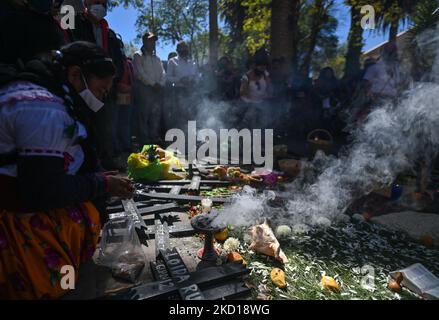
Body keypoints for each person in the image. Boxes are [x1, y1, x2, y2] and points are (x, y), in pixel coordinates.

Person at [0, 40, 134, 299]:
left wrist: (95, 178)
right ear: (75, 75)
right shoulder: (43, 108)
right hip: (13, 213)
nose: (102, 98)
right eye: (101, 90)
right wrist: (101, 184)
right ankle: (46, 283)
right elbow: (41, 191)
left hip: (25, 192)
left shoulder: (50, 96)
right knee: (81, 217)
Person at [71, 0, 126, 170]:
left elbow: (119, 61)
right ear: (86, 2)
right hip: (83, 87)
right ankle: (84, 164)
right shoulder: (75, 24)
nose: (100, 5)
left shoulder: (110, 35)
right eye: (96, 1)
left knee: (106, 124)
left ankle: (106, 161)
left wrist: (111, 81)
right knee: (85, 123)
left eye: (104, 3)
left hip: (105, 89)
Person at [133, 31, 166, 146]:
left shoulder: (157, 58)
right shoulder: (138, 55)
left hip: (157, 89)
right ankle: (144, 140)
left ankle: (155, 138)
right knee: (144, 115)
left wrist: (160, 84)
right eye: (150, 40)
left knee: (155, 114)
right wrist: (153, 84)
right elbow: (139, 73)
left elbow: (163, 73)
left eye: (154, 41)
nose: (153, 43)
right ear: (144, 41)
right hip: (144, 89)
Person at [166, 41, 199, 130]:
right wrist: (180, 80)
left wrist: (193, 80)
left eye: (185, 47)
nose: (184, 49)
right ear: (177, 50)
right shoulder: (172, 61)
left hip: (192, 91)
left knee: (192, 113)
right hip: (179, 91)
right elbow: (168, 77)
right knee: (180, 113)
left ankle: (192, 134)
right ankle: (180, 135)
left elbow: (197, 76)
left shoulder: (192, 62)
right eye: (182, 48)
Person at [239, 51, 272, 129]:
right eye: (260, 67)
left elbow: (270, 87)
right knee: (250, 117)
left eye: (264, 67)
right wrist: (252, 98)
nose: (262, 69)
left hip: (261, 102)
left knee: (266, 118)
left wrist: (268, 94)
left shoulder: (265, 74)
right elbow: (242, 92)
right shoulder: (246, 77)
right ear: (255, 67)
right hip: (248, 103)